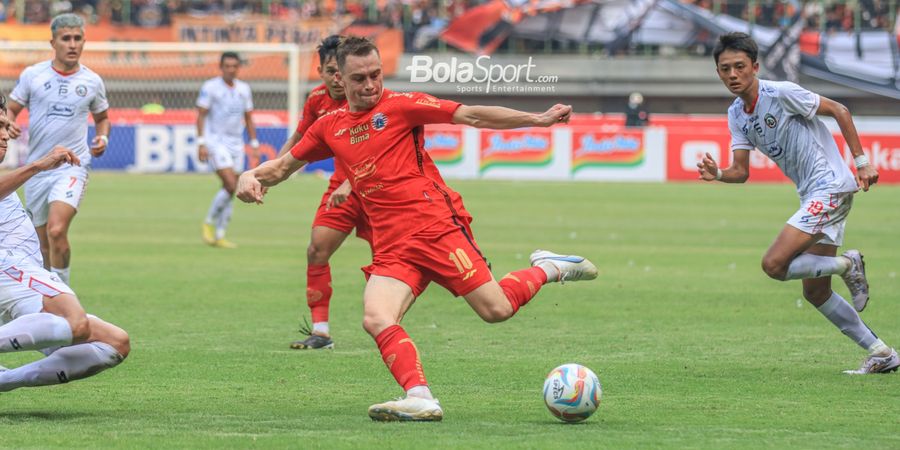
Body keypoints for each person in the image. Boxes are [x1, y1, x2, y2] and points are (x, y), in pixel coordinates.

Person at [236, 36, 599, 421]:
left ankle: (548, 267)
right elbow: (280, 168)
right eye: (359, 78)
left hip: (435, 228)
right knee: (376, 317)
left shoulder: (402, 106)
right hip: (392, 244)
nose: (370, 85)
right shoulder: (330, 126)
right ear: (339, 79)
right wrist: (249, 175)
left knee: (496, 310)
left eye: (376, 75)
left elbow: (472, 114)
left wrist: (537, 119)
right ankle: (420, 396)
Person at [698, 32, 897, 375]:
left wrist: (862, 162)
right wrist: (718, 174)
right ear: (718, 73)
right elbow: (741, 172)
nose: (733, 74)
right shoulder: (737, 114)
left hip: (829, 188)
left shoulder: (781, 93)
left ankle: (848, 265)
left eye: (740, 67)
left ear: (755, 67)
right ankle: (882, 353)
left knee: (774, 265)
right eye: (725, 68)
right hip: (814, 195)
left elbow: (839, 110)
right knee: (816, 292)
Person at [0, 94, 129, 392]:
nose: (5, 135)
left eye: (7, 126)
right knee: (75, 321)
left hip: (21, 277)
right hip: (9, 267)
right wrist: (38, 166)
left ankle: (5, 380)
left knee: (114, 343)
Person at [5, 13, 111, 285]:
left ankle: (63, 291)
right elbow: (11, 111)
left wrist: (103, 138)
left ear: (84, 42)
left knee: (56, 230)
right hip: (37, 171)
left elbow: (102, 119)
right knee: (41, 243)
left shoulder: (92, 81)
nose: (73, 44)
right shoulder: (33, 75)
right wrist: (10, 124)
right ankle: (49, 292)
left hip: (72, 167)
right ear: (53, 42)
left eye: (78, 39)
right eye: (66, 39)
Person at [276, 35, 367, 351]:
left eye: (341, 72)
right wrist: (271, 170)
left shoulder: (368, 99)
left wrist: (349, 182)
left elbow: (378, 152)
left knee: (394, 259)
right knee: (317, 251)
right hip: (342, 188)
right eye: (332, 71)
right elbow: (300, 138)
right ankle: (321, 331)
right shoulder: (317, 101)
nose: (338, 79)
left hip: (379, 187)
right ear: (322, 71)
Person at [197, 51, 259, 249]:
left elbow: (249, 117)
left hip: (236, 143)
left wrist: (254, 144)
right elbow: (201, 115)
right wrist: (201, 142)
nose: (231, 69)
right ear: (221, 67)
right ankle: (208, 223)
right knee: (232, 185)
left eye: (234, 66)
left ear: (238, 68)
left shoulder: (244, 89)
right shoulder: (210, 87)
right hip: (216, 141)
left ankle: (220, 234)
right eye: (227, 66)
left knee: (233, 190)